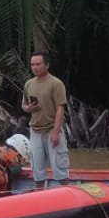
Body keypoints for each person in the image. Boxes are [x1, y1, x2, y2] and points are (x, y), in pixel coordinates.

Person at [21, 52, 69, 188]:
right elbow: (24, 106)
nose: (35, 67)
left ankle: (67, 191)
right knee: (37, 167)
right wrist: (29, 108)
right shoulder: (29, 84)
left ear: (47, 65)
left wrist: (56, 131)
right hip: (35, 130)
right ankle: (40, 193)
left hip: (52, 128)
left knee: (59, 165)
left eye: (38, 64)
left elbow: (60, 108)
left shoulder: (56, 83)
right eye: (32, 64)